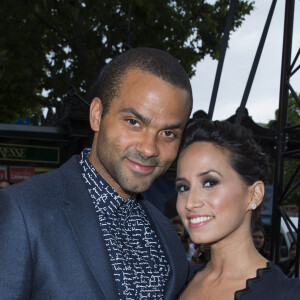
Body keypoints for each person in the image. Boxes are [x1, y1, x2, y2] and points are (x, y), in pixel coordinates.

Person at [0, 47, 193, 300]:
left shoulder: (167, 235)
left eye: (168, 133)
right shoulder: (23, 212)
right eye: (134, 122)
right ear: (97, 115)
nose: (149, 148)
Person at [175, 118, 300, 299]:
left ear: (255, 194)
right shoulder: (176, 283)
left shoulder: (287, 294)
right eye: (183, 187)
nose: (190, 202)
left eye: (209, 182)